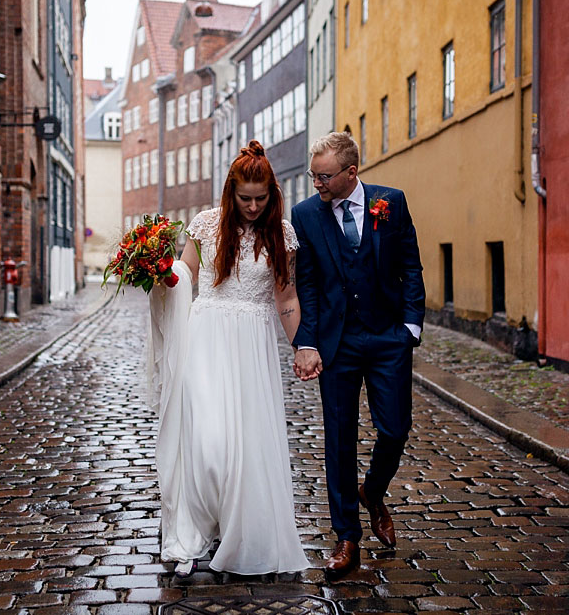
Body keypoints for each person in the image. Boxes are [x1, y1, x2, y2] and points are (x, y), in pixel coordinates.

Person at [152, 140, 310, 577]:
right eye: (245, 199)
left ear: (272, 193)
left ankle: (239, 530)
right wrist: (160, 271)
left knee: (247, 446)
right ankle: (192, 532)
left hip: (252, 347)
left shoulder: (283, 234)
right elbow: (185, 272)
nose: (254, 206)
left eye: (262, 198)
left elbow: (287, 296)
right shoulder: (206, 225)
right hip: (206, 339)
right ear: (230, 192)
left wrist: (302, 346)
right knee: (209, 442)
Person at [290, 131, 425, 577]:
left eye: (324, 176)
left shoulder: (392, 202)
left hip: (388, 338)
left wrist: (410, 326)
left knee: (395, 429)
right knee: (339, 439)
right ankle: (348, 538)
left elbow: (410, 264)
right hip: (337, 344)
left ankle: (373, 491)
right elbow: (306, 285)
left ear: (352, 172)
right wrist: (307, 341)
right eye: (313, 175)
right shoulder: (306, 215)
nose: (317, 184)